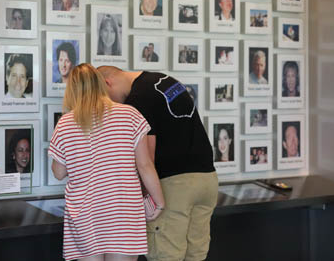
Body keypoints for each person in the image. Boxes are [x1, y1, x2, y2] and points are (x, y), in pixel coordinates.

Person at [97, 66, 218, 261]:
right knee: (196, 254)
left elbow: (147, 158)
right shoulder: (163, 80)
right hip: (207, 178)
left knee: (165, 255)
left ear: (107, 82)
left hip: (175, 185)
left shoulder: (137, 99)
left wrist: (145, 199)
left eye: (106, 97)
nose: (110, 104)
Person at [49, 63, 164, 261]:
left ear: (72, 90)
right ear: (100, 84)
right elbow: (145, 166)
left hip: (85, 213)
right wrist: (159, 202)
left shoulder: (66, 123)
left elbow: (59, 172)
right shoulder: (130, 115)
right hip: (123, 211)